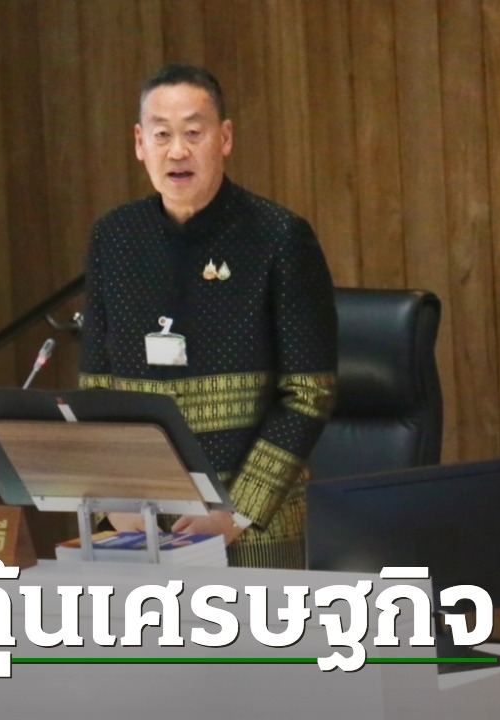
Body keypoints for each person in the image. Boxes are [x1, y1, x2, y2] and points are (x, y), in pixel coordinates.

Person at [78, 63, 337, 569]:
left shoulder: (279, 237)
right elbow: (97, 387)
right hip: (140, 526)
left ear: (225, 138)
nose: (177, 151)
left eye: (193, 133)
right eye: (162, 134)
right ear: (139, 143)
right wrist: (112, 497)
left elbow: (309, 392)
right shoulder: (115, 238)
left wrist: (237, 511)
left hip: (253, 529)